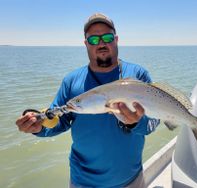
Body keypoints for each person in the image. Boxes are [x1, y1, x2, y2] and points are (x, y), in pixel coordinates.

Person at [16, 13, 160, 188]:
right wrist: (38, 126)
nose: (101, 43)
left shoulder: (138, 75)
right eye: (93, 40)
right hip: (83, 182)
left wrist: (136, 122)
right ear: (86, 43)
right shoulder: (71, 81)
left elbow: (155, 121)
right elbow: (58, 119)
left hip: (131, 180)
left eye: (107, 37)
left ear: (116, 39)